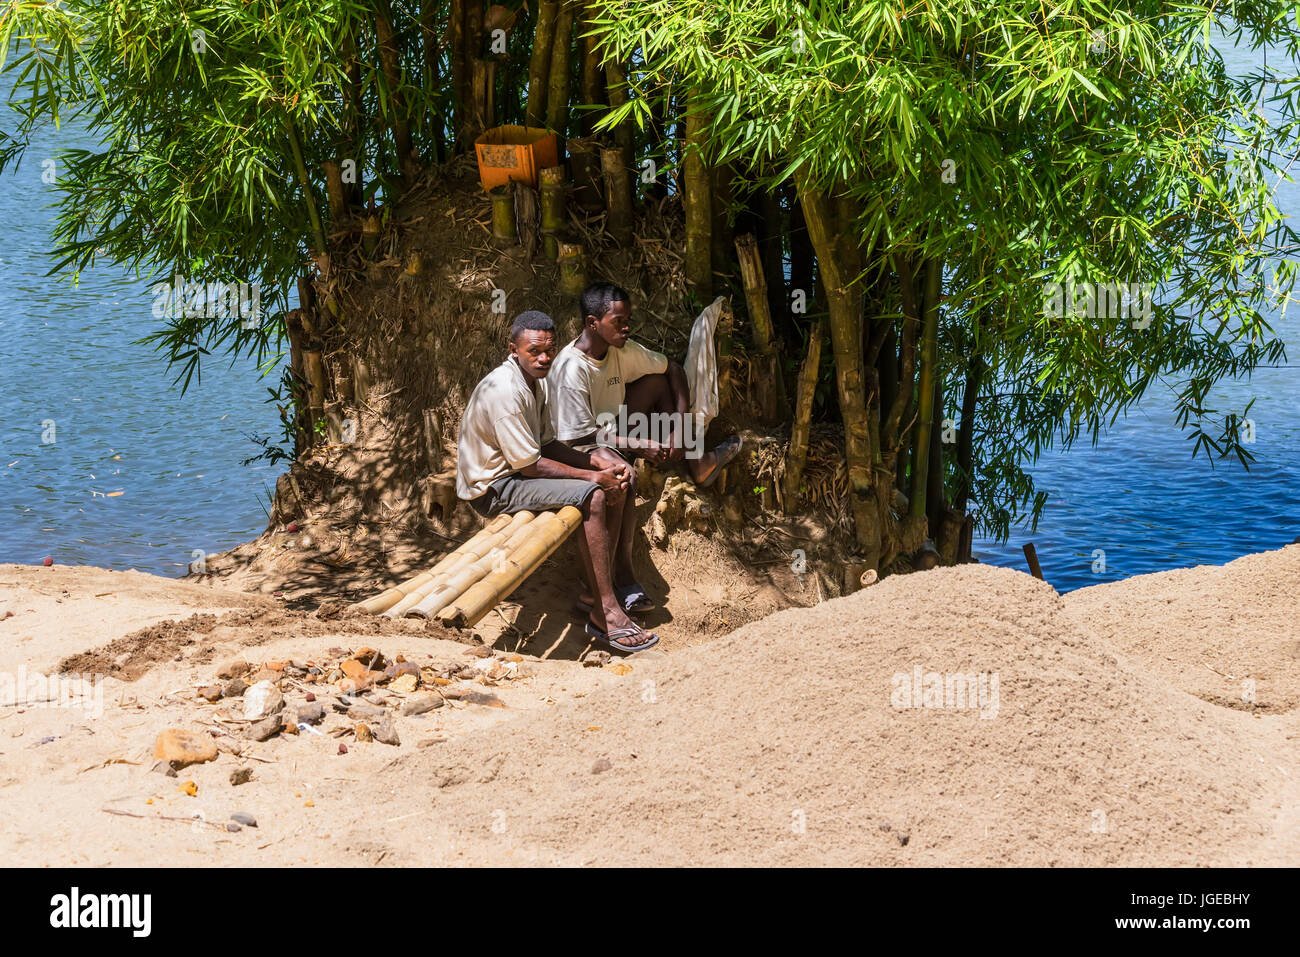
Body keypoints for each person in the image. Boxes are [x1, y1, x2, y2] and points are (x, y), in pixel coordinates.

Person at [456, 310, 657, 653]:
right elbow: (531, 465)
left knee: (617, 479)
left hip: (518, 472)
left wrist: (598, 462)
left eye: (549, 349)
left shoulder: (539, 382)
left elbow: (547, 444)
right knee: (593, 494)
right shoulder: (506, 391)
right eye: (534, 351)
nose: (544, 357)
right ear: (514, 349)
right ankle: (605, 611)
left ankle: (599, 590)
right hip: (493, 488)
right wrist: (595, 476)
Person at [548, 283, 744, 610]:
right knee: (625, 478)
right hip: (576, 447)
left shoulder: (621, 350)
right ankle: (616, 578)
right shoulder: (571, 369)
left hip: (612, 431)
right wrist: (639, 445)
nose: (626, 327)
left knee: (656, 381)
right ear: (593, 323)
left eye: (628, 319)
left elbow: (675, 370)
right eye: (618, 321)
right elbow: (578, 438)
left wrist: (679, 429)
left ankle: (695, 459)